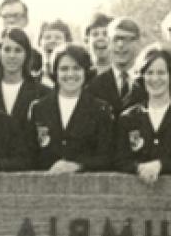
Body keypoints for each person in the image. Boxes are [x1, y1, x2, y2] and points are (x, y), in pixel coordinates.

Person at [113, 46, 171, 183]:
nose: (155, 78)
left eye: (161, 73)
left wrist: (161, 165)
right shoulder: (128, 117)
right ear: (142, 76)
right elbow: (119, 160)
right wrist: (139, 168)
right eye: (149, 73)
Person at [27, 44, 113, 173]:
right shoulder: (38, 108)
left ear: (86, 71)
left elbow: (107, 157)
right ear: (55, 72)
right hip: (45, 187)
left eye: (76, 68)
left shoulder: (100, 109)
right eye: (64, 69)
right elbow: (29, 155)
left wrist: (78, 165)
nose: (70, 74)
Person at [0, 28, 49, 124]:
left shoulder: (42, 93)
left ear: (26, 54)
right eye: (7, 50)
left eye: (18, 50)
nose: (12, 56)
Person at [88, 17, 141, 111]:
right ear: (108, 42)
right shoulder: (94, 85)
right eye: (115, 39)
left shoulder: (149, 81)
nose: (120, 45)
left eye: (126, 39)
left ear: (138, 42)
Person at [34, 20, 72, 86]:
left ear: (67, 42)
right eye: (47, 37)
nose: (52, 41)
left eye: (58, 38)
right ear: (40, 42)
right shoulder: (34, 66)